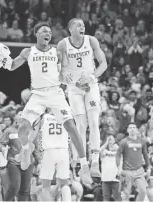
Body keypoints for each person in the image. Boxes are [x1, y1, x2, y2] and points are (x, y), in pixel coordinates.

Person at [0, 22, 92, 185]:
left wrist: (75, 82)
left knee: (71, 127)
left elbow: (66, 73)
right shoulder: (27, 52)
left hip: (55, 92)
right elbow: (11, 66)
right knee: (22, 127)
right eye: (44, 31)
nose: (48, 33)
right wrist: (2, 58)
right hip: (37, 94)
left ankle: (85, 165)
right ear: (36, 34)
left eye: (49, 31)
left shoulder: (57, 52)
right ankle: (26, 150)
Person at [57, 18, 108, 177]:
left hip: (91, 85)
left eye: (83, 25)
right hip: (74, 88)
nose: (82, 27)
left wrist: (92, 78)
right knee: (80, 125)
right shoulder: (63, 45)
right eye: (78, 25)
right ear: (70, 29)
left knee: (93, 121)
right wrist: (75, 83)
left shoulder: (91, 40)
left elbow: (103, 64)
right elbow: (61, 73)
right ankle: (83, 163)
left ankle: (95, 162)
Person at [36, 108, 72, 201]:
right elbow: (70, 137)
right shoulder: (66, 116)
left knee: (45, 186)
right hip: (63, 150)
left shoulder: (43, 117)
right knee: (65, 184)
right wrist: (72, 154)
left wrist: (40, 157)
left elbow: (38, 136)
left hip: (49, 151)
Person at [116, 123, 150, 201]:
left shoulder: (142, 141)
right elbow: (118, 155)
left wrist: (148, 167)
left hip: (139, 171)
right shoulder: (123, 142)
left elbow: (145, 154)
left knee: (143, 191)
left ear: (137, 130)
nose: (132, 129)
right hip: (127, 171)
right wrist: (118, 167)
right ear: (127, 130)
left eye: (134, 127)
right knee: (125, 194)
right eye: (130, 127)